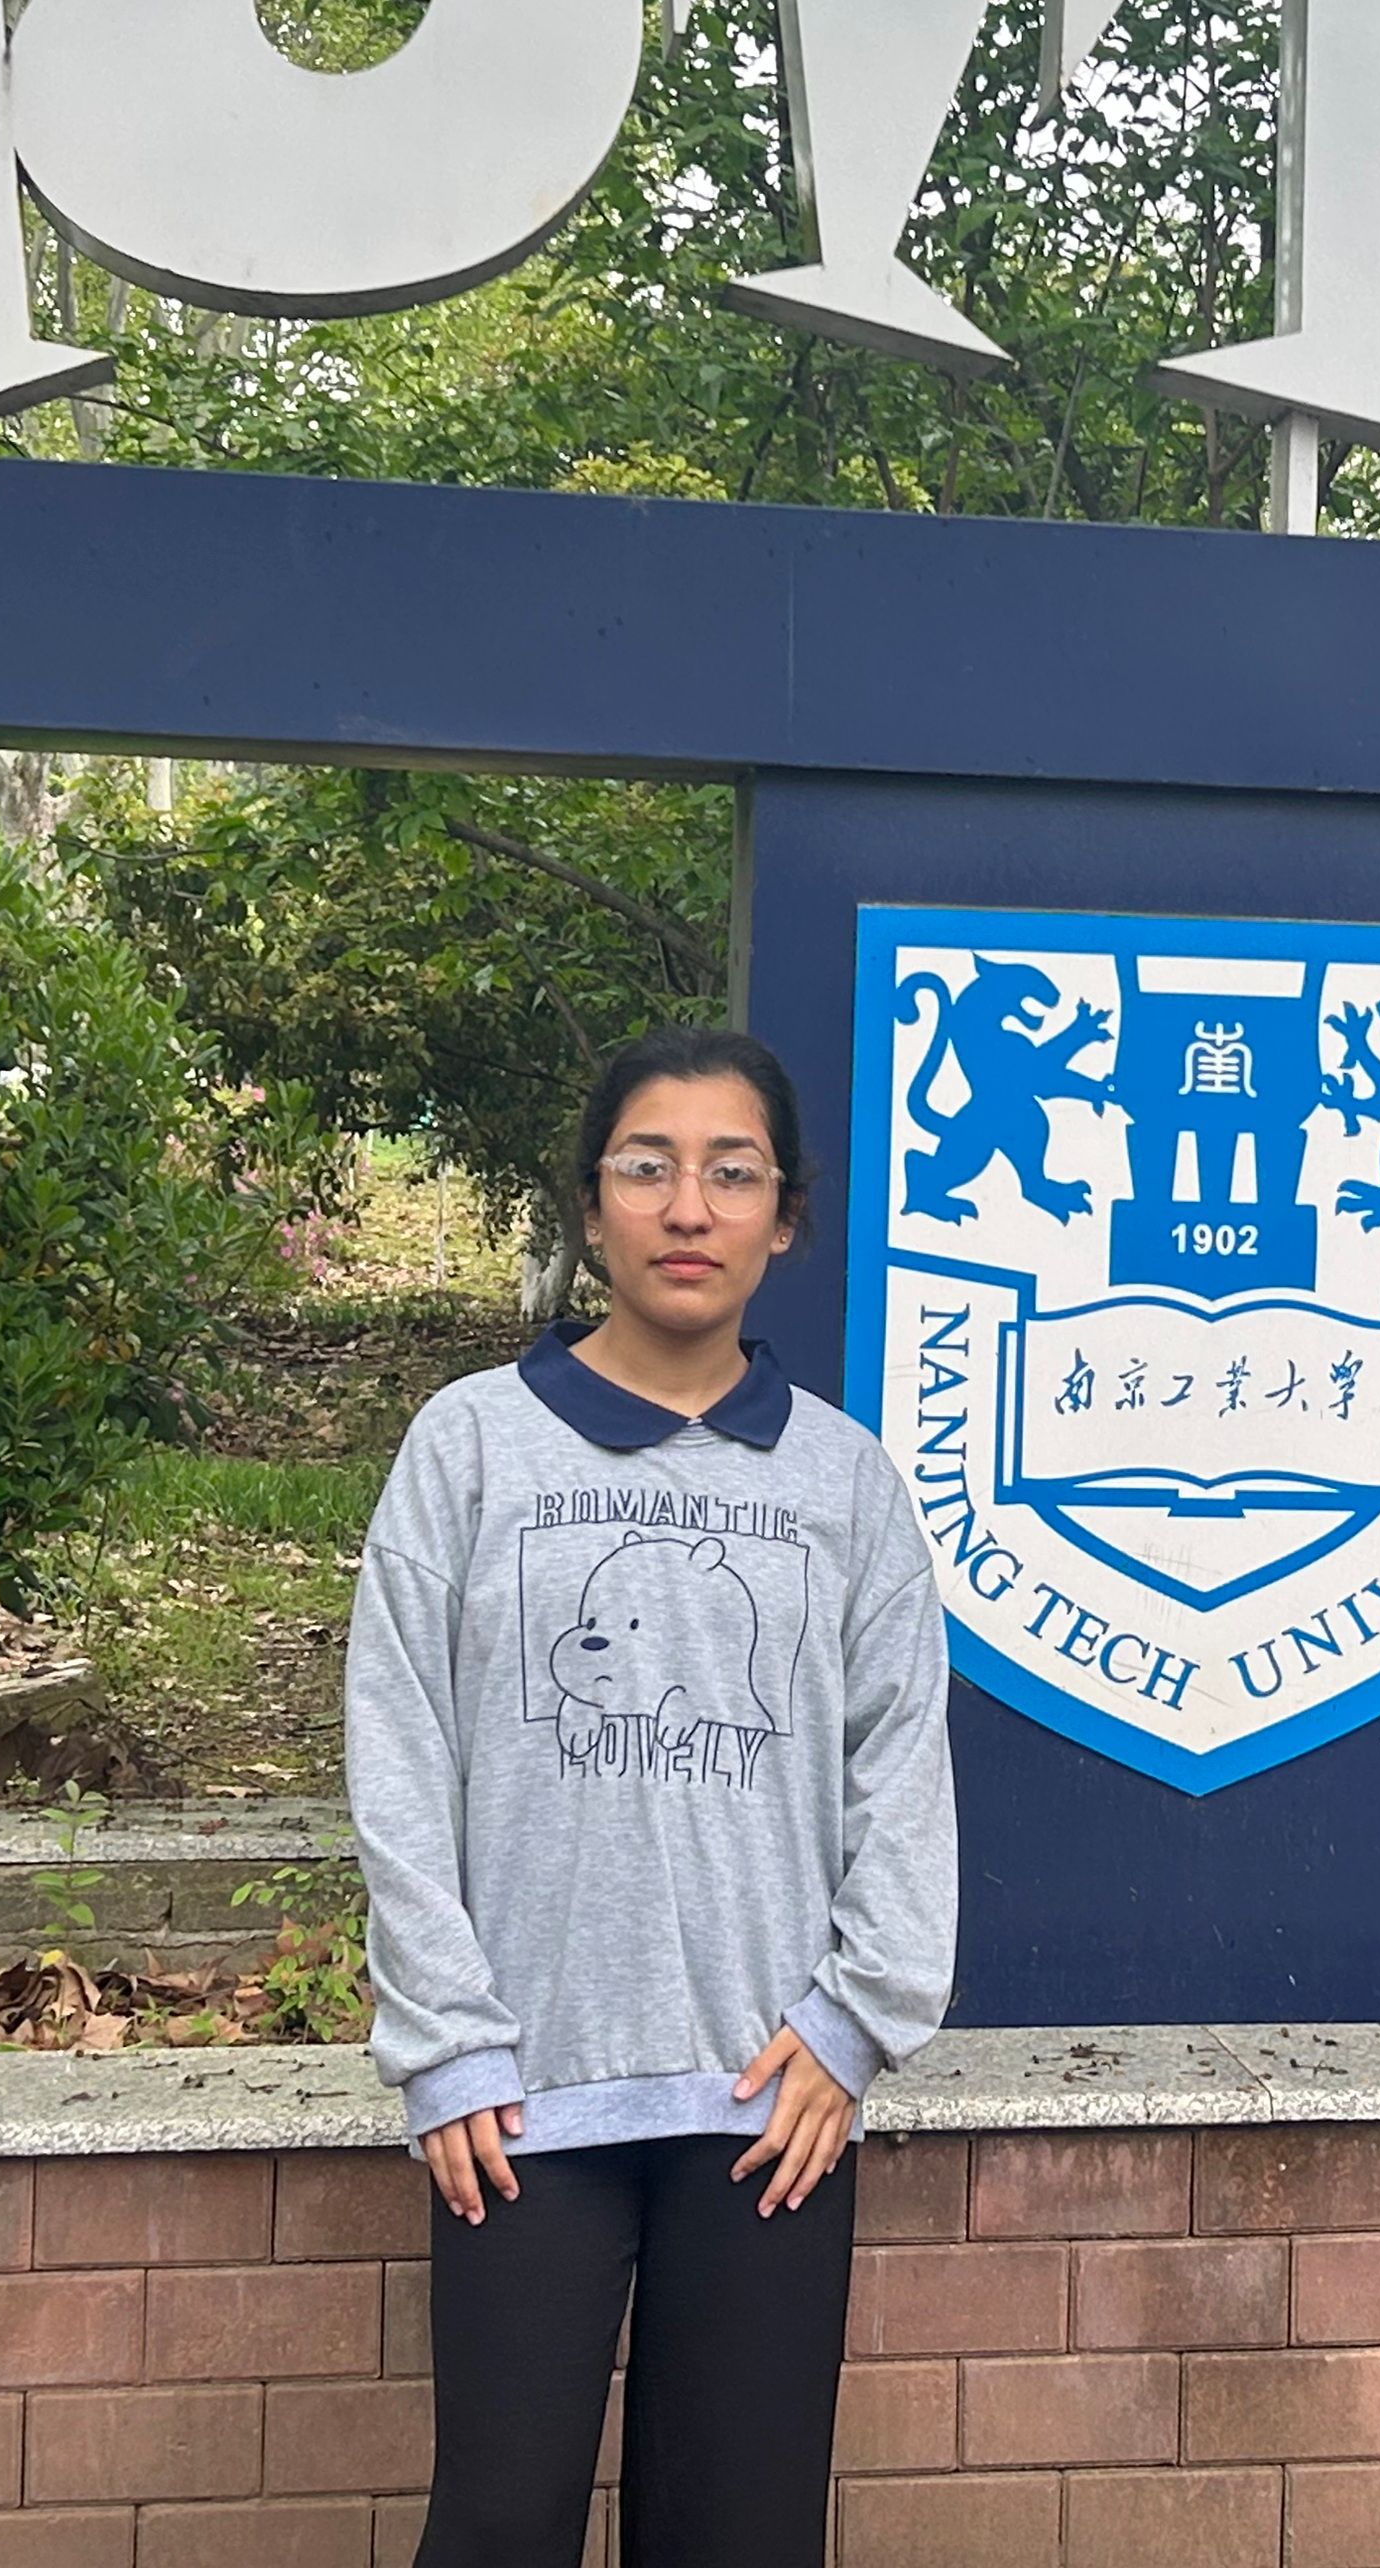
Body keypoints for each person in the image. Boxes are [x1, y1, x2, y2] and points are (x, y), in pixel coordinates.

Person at [348, 1023, 956, 2568]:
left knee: (738, 2532)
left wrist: (855, 2021)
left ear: (786, 1217)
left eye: (732, 1174)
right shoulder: (471, 1447)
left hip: (768, 2109)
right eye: (648, 1168)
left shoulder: (846, 1484)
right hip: (519, 2105)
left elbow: (899, 1767)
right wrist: (448, 2041)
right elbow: (400, 1749)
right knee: (499, 2522)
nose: (689, 1208)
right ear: (591, 1204)